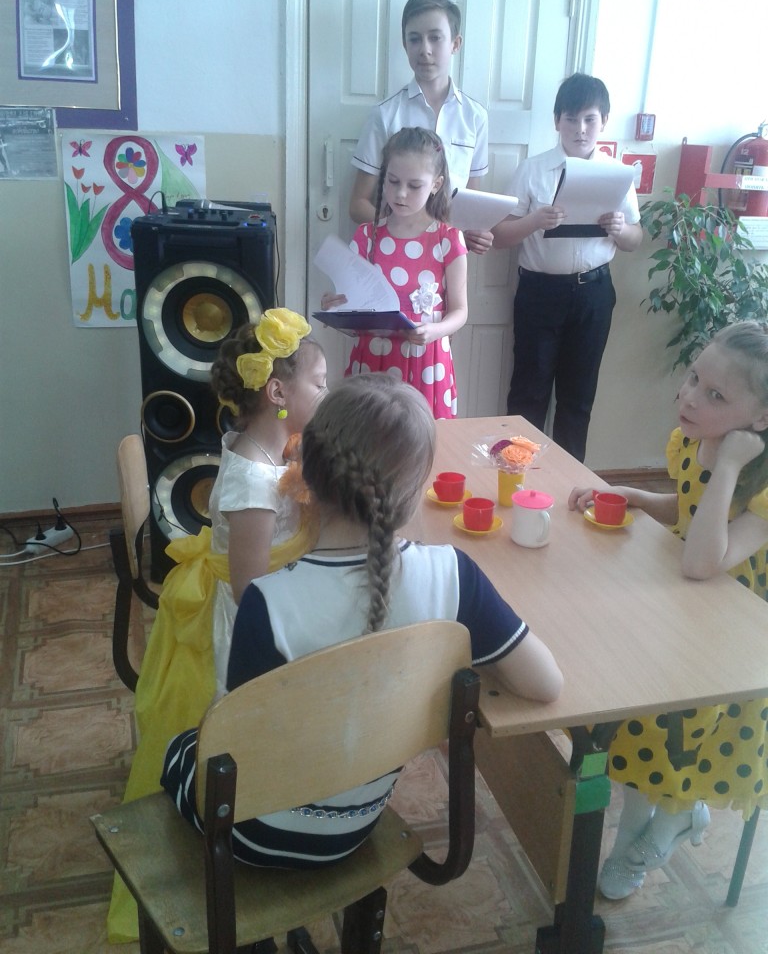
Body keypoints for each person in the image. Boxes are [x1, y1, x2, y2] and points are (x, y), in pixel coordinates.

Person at [162, 373, 563, 868]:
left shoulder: (267, 602)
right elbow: (546, 684)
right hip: (356, 822)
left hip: (252, 836)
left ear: (306, 475)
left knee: (181, 746)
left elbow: (236, 750)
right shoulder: (454, 575)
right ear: (414, 493)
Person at [107, 309, 327, 942]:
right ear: (278, 391)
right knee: (250, 738)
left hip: (260, 604)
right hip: (248, 632)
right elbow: (251, 594)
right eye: (320, 383)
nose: (328, 393)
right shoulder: (253, 481)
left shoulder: (268, 446)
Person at [568, 321, 768, 900]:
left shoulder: (759, 483)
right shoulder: (688, 442)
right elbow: (687, 510)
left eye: (716, 395)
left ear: (760, 420)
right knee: (640, 719)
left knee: (670, 734)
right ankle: (657, 824)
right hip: (681, 611)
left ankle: (663, 827)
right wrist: (634, 497)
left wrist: (728, 466)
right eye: (694, 378)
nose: (690, 397)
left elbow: (705, 561)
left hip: (733, 638)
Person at [493, 73, 643, 462]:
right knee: (528, 395)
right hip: (540, 293)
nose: (580, 129)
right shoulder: (532, 170)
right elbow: (499, 235)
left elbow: (635, 239)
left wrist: (620, 229)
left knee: (578, 398)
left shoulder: (617, 173)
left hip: (594, 293)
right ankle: (515, 477)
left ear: (604, 122)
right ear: (557, 121)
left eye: (590, 119)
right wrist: (534, 221)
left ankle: (569, 485)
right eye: (571, 119)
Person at [332, 126, 468, 419]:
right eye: (392, 181)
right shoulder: (366, 236)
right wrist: (336, 307)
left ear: (436, 184)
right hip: (373, 360)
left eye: (414, 185)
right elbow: (353, 308)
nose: (401, 193)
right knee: (369, 434)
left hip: (426, 362)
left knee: (421, 437)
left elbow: (460, 311)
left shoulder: (448, 239)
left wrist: (434, 331)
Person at [349, 0, 493, 255]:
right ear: (405, 45)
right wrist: (407, 232)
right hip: (394, 254)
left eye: (435, 38)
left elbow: (472, 205)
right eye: (414, 39)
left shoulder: (475, 117)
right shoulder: (385, 115)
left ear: (455, 43)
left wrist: (476, 234)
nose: (425, 50)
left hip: (449, 257)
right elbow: (358, 204)